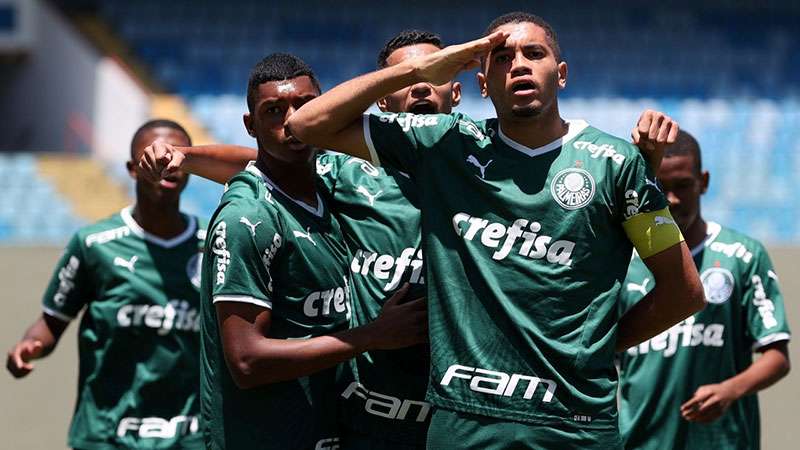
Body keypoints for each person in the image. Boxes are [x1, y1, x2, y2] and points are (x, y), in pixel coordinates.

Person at [139, 28, 681, 449]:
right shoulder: (344, 176)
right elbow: (275, 156)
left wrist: (641, 170)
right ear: (381, 102)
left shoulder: (495, 160)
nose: (419, 85)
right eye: (404, 79)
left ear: (460, 89)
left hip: (482, 419)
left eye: (431, 74)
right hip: (370, 422)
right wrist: (183, 158)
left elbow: (618, 245)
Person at [287, 11, 706, 449]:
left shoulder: (617, 165)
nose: (520, 64)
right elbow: (306, 125)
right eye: (502, 58)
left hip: (576, 425)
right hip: (467, 424)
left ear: (560, 74)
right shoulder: (444, 144)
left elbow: (684, 291)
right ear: (482, 84)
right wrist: (417, 71)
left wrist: (596, 350)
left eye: (534, 54)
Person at [195, 53, 426, 450]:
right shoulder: (248, 217)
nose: (291, 122)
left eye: (305, 106)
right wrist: (372, 336)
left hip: (326, 430)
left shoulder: (327, 195)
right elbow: (247, 360)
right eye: (273, 111)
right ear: (250, 125)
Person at [5, 120, 206, 449]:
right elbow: (52, 322)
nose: (166, 163)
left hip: (189, 436)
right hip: (106, 435)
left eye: (176, 155)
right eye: (153, 155)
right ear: (132, 169)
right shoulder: (94, 244)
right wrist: (30, 346)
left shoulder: (213, 242)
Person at [617, 130, 791, 450]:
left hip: (722, 441)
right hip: (640, 441)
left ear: (704, 181)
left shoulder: (743, 255)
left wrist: (730, 390)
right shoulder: (622, 263)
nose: (671, 199)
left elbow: (777, 357)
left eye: (683, 185)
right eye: (660, 186)